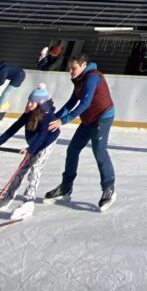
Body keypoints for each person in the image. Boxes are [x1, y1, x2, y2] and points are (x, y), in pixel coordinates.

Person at [44, 54, 117, 211]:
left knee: (99, 150)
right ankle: (66, 187)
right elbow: (71, 102)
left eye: (74, 68)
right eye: (69, 68)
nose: (71, 71)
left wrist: (63, 121)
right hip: (89, 119)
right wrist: (54, 118)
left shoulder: (92, 77)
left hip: (103, 117)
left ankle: (109, 188)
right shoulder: (79, 79)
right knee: (73, 150)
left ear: (84, 65)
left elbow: (85, 103)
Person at [0, 84, 61, 220]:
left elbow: (42, 136)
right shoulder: (29, 113)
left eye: (32, 102)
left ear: (40, 103)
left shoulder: (47, 116)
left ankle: (28, 201)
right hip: (35, 144)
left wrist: (30, 149)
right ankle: (8, 196)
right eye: (28, 101)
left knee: (35, 169)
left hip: (46, 144)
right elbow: (13, 129)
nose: (28, 104)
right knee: (21, 169)